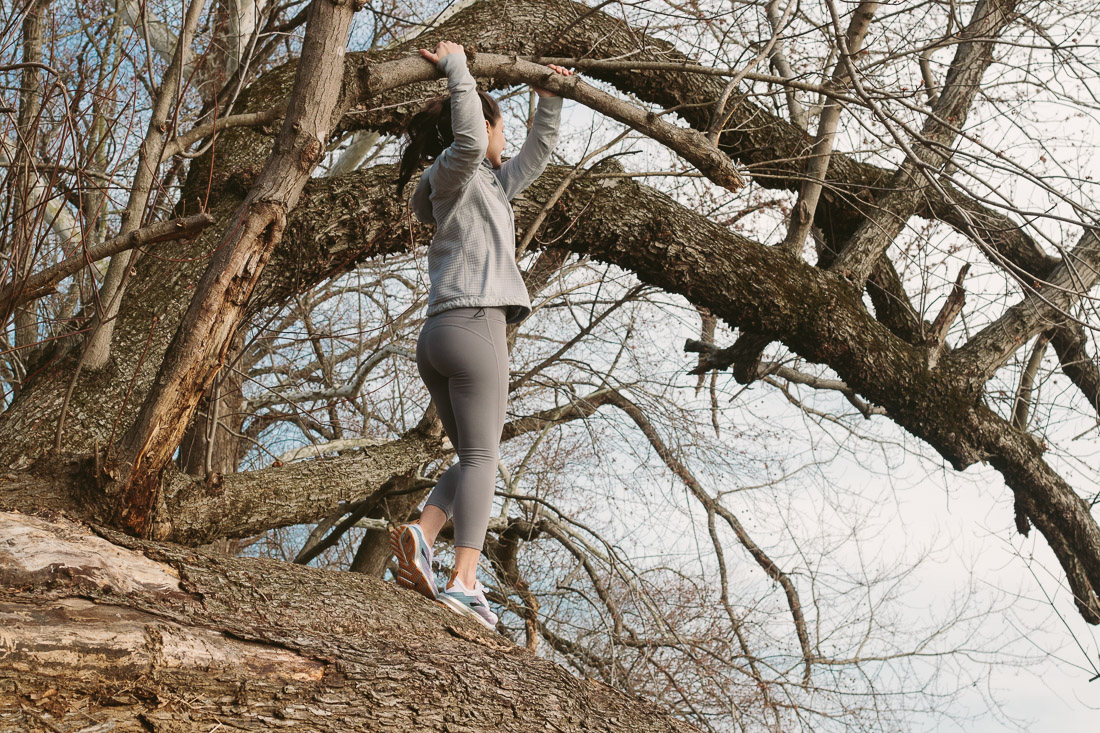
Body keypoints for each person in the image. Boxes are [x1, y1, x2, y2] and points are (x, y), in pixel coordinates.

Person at [389, 40, 572, 630]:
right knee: (485, 455)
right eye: (502, 125)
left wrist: (550, 100)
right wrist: (458, 69)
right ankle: (464, 581)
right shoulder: (458, 168)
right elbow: (468, 137)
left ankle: (424, 532)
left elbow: (536, 158)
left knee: (473, 453)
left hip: (437, 336)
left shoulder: (483, 186)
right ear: (481, 122)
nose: (504, 138)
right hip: (476, 325)